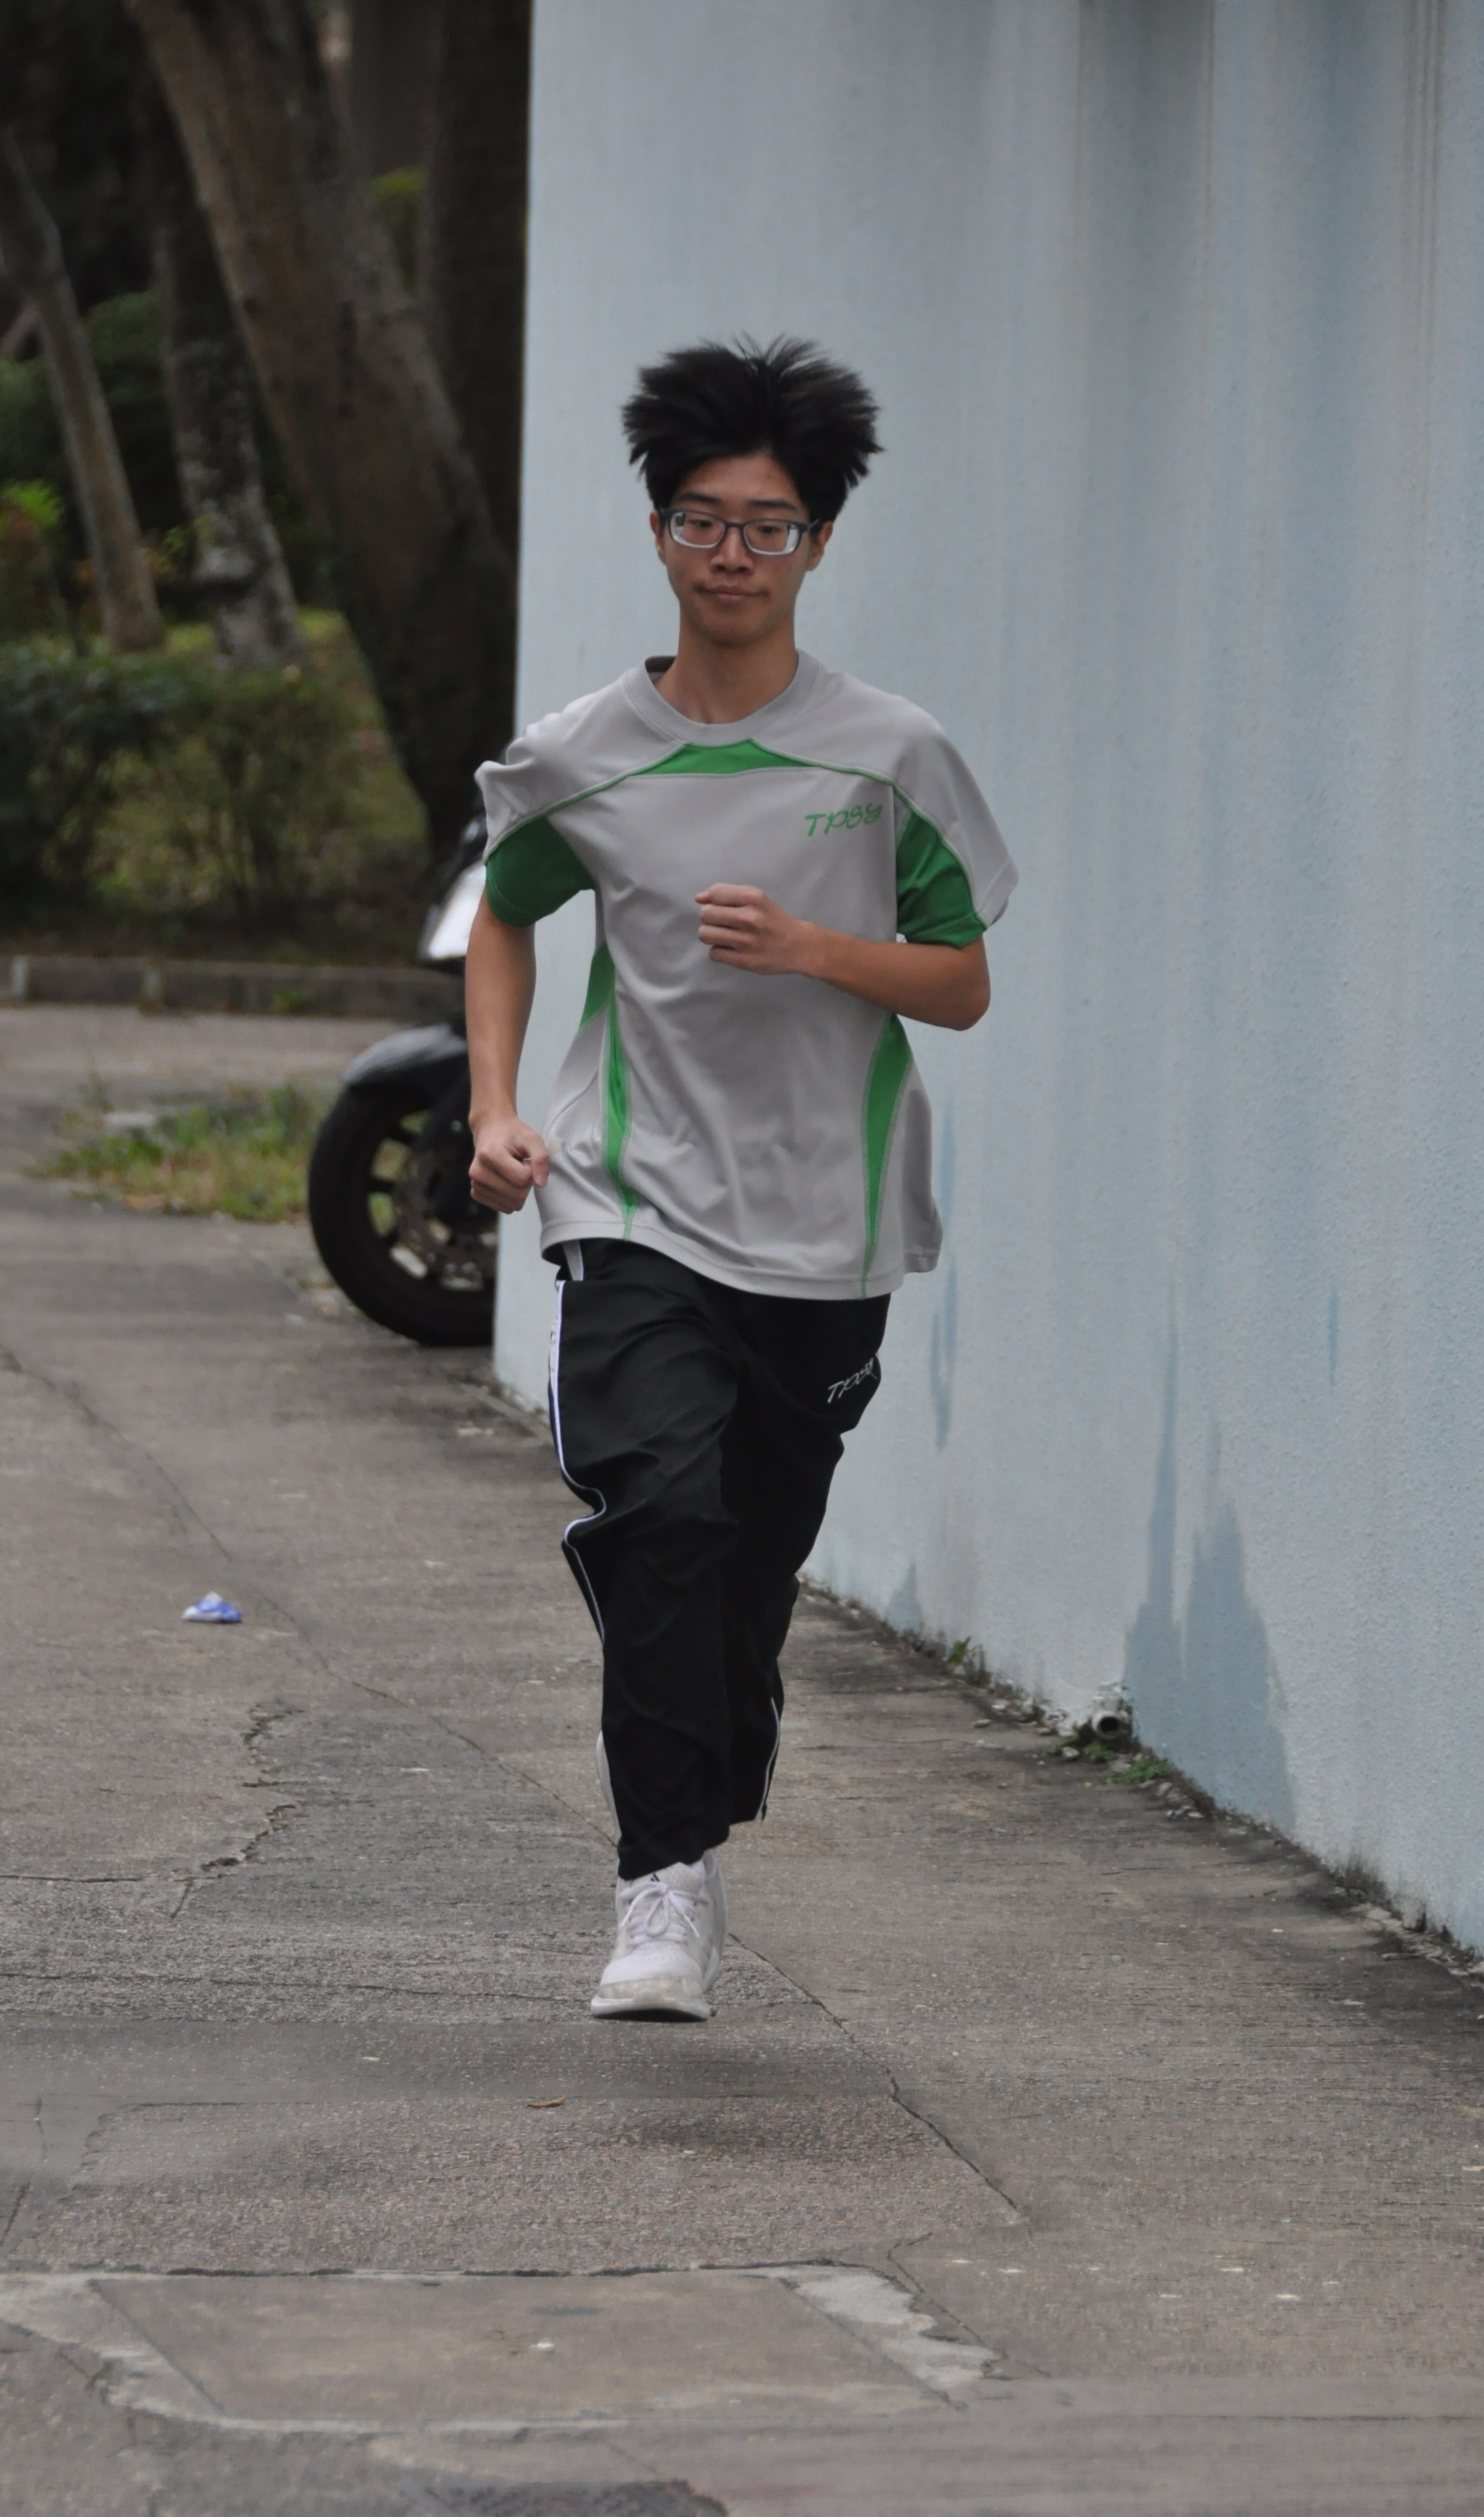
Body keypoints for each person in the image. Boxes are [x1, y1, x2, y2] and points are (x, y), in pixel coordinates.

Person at [465, 336, 1015, 2021]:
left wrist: (814, 947)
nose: (731, 552)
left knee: (744, 1567)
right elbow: (503, 915)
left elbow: (962, 983)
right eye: (702, 520)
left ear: (817, 545)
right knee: (662, 1512)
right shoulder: (585, 753)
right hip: (632, 1198)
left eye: (767, 526)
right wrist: (495, 1107)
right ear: (658, 533)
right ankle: (664, 1884)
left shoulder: (889, 755)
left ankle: (712, 1752)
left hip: (829, 1229)